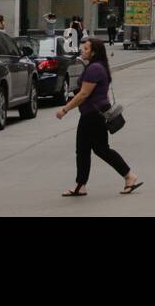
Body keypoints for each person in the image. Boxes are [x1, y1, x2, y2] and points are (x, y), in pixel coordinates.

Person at [57, 38, 142, 197]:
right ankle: (81, 185)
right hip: (94, 113)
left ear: (94, 52)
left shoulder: (95, 68)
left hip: (93, 115)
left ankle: (129, 176)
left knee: (99, 149)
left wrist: (65, 109)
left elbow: (83, 94)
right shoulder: (98, 66)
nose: (83, 50)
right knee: (85, 150)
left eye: (87, 48)